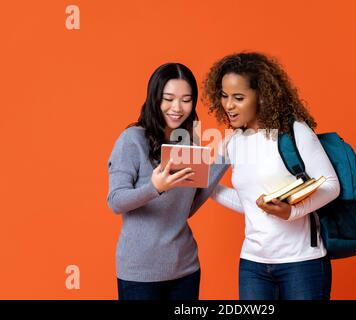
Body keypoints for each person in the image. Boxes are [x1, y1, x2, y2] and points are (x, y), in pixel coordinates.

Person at [202, 52, 340, 300]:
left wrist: (291, 212)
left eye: (238, 97)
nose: (228, 105)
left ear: (262, 96)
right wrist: (206, 184)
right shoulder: (235, 142)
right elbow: (249, 204)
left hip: (301, 264)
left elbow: (331, 186)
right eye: (224, 96)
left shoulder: (294, 131)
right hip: (253, 264)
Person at [107, 63, 228, 300]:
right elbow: (116, 201)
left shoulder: (187, 142)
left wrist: (222, 160)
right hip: (140, 273)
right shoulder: (132, 139)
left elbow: (186, 209)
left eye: (186, 99)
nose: (177, 108)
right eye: (169, 98)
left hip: (185, 269)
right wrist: (155, 188)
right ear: (155, 99)